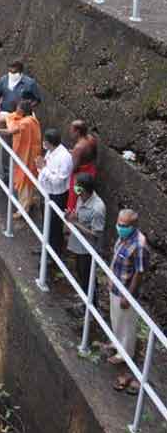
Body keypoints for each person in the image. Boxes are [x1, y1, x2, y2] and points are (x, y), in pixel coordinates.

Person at [106, 209, 149, 395]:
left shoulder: (139, 245)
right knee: (116, 319)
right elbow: (116, 257)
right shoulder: (123, 238)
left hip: (125, 291)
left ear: (133, 226)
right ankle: (117, 345)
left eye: (124, 225)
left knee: (127, 324)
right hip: (115, 286)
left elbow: (139, 273)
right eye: (119, 223)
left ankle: (126, 354)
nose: (120, 227)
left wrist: (128, 296)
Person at [0, 100, 41, 218]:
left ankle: (23, 210)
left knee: (24, 180)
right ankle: (28, 202)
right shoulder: (29, 117)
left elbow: (11, 131)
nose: (16, 111)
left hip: (28, 154)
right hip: (29, 152)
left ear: (23, 111)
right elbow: (2, 118)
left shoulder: (26, 122)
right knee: (27, 180)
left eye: (18, 109)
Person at [0, 60, 42, 184]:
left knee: (23, 147)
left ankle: (21, 177)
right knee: (6, 147)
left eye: (14, 71)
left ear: (20, 71)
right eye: (9, 70)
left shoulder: (29, 83)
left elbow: (37, 99)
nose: (11, 72)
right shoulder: (4, 80)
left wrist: (27, 108)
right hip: (7, 116)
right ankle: (6, 176)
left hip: (23, 118)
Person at [65, 173, 106, 317]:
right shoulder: (81, 198)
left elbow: (96, 234)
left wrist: (75, 222)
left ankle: (92, 307)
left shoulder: (98, 208)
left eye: (77, 186)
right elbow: (78, 216)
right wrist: (73, 216)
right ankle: (84, 301)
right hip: (78, 244)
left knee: (88, 277)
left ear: (84, 189)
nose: (75, 188)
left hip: (88, 250)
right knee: (81, 274)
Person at [36, 128, 73, 256]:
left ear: (49, 142)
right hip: (46, 192)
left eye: (44, 141)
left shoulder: (64, 158)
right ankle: (46, 247)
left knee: (55, 226)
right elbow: (45, 170)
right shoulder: (50, 152)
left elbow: (58, 181)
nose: (43, 143)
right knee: (46, 222)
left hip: (57, 196)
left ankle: (55, 253)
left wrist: (43, 169)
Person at [66, 120, 98, 213]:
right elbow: (94, 156)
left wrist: (73, 156)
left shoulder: (78, 147)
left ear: (78, 131)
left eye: (72, 130)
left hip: (79, 175)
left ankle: (72, 219)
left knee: (74, 200)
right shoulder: (91, 139)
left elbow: (74, 168)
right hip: (90, 170)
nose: (70, 132)